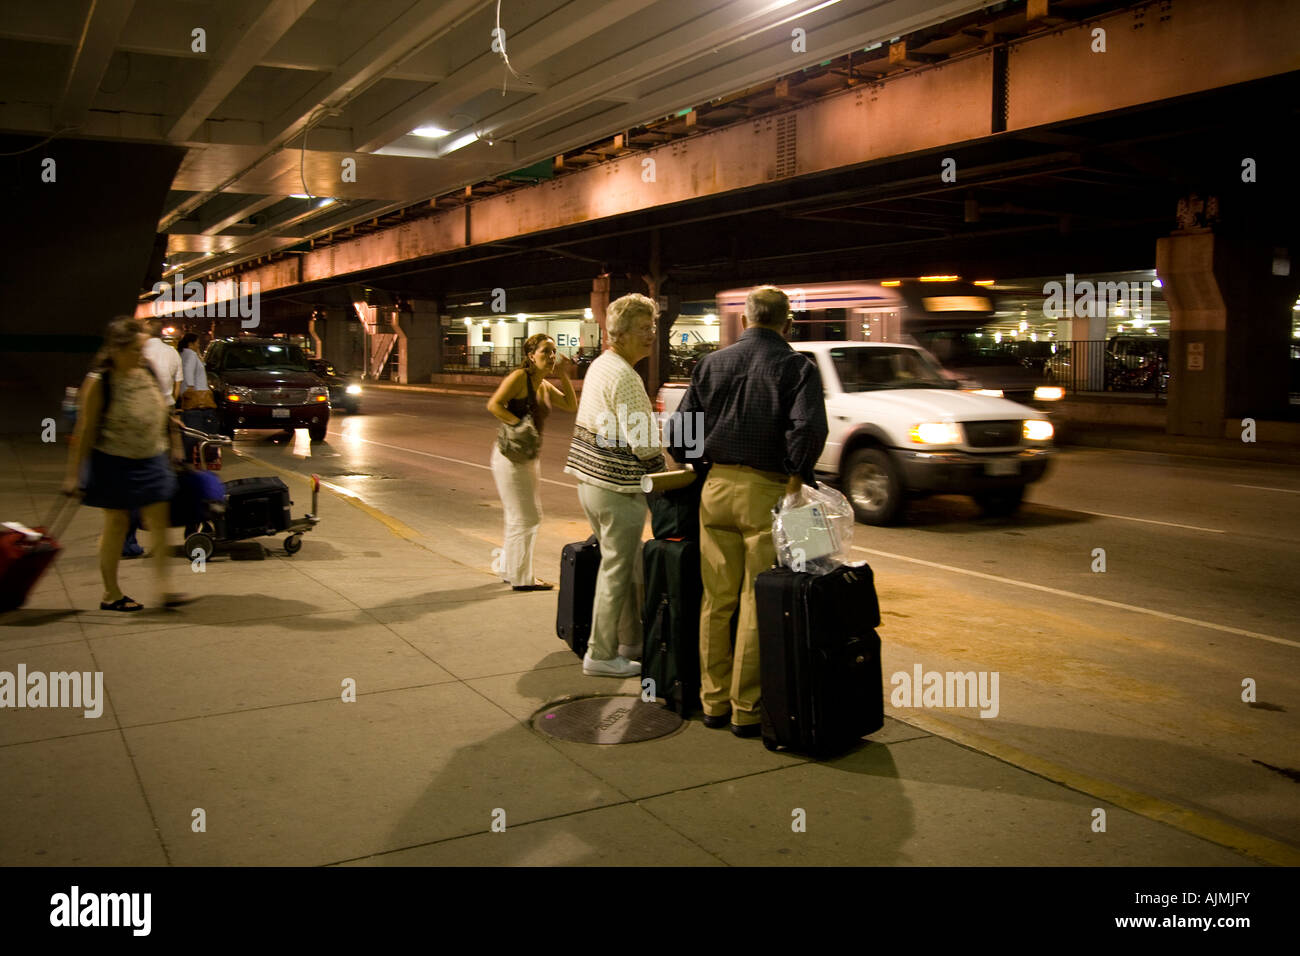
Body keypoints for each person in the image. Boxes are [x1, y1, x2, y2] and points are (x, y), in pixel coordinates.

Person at [666, 286, 828, 736]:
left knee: (715, 600)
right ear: (787, 323)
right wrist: (795, 476)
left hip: (714, 488)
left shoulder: (711, 364)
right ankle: (746, 709)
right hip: (768, 491)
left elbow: (682, 434)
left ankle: (711, 701)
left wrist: (701, 465)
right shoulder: (796, 367)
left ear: (743, 321)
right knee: (756, 600)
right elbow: (807, 428)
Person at [564, 294, 665, 678]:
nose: (651, 335)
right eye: (643, 328)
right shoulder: (626, 377)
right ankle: (601, 653)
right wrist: (668, 473)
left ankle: (627, 644)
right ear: (618, 333)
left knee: (616, 565)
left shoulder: (602, 366)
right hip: (618, 488)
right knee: (617, 571)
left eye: (652, 326)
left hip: (590, 482)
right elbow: (645, 445)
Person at [61, 317, 185, 612]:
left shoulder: (146, 371)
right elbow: (85, 430)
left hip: (151, 457)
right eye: (134, 350)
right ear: (116, 350)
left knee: (158, 521)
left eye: (142, 350)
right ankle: (111, 593)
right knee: (117, 523)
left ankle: (165, 588)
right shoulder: (100, 381)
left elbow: (163, 409)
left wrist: (175, 440)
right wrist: (72, 475)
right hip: (113, 460)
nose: (140, 356)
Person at [486, 333, 577, 591]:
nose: (551, 357)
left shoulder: (544, 385)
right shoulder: (519, 378)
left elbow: (571, 405)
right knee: (529, 517)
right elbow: (493, 405)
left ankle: (509, 569)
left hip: (528, 457)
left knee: (518, 516)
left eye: (553, 352)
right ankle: (522, 578)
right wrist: (519, 425)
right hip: (509, 457)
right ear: (530, 355)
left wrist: (565, 376)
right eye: (545, 351)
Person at [142, 319, 183, 405]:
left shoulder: (140, 351)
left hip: (144, 405)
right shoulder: (173, 352)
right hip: (167, 404)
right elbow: (178, 383)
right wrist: (172, 402)